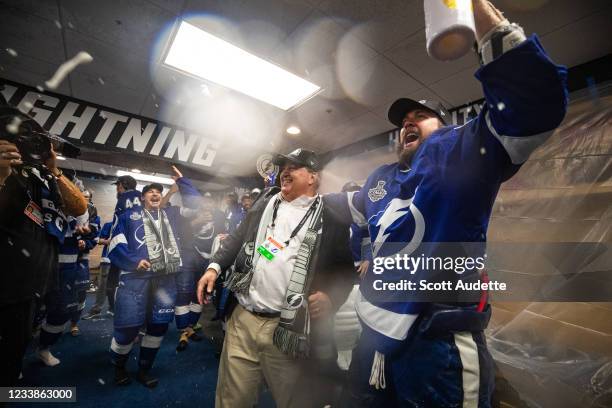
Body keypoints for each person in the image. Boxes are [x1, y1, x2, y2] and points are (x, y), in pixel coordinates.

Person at [326, 1, 568, 406]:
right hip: (373, 335)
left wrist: (481, 18)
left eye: (420, 116)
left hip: (435, 344)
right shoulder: (379, 179)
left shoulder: (459, 150)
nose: (407, 123)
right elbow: (350, 212)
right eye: (402, 123)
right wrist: (363, 251)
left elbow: (532, 107)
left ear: (445, 124)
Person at [197, 148, 355, 408]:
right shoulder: (265, 202)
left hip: (287, 329)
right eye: (284, 167)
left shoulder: (332, 218)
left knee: (294, 401)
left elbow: (345, 271)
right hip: (243, 319)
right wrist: (214, 267)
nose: (285, 171)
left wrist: (331, 298)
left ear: (313, 177)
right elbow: (239, 236)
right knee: (231, 401)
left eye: (294, 167)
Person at [0, 103, 87, 385]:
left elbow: (78, 207)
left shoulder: (40, 176)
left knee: (15, 347)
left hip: (35, 281)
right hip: (7, 284)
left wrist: (53, 169)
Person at [108, 171, 201, 388]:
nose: (155, 194)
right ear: (142, 197)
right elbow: (115, 243)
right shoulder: (127, 217)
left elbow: (195, 203)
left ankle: (144, 369)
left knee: (158, 327)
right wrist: (133, 261)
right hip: (135, 280)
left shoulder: (174, 215)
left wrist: (181, 181)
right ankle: (119, 367)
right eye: (150, 192)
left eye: (158, 192)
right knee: (128, 328)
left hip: (166, 280)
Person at [82, 220, 114, 319]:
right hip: (108, 259)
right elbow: (98, 240)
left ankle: (113, 309)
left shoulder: (129, 222)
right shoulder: (110, 224)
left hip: (124, 261)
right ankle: (96, 310)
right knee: (102, 286)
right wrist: (110, 241)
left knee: (118, 287)